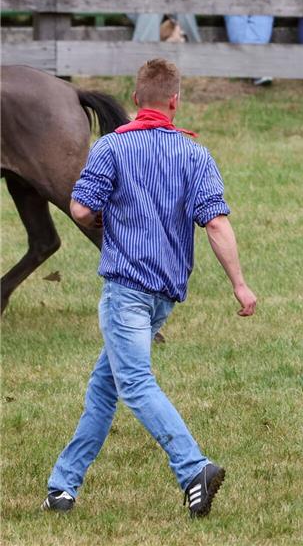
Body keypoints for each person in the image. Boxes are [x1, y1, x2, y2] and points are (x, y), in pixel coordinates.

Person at [41, 58, 257, 517]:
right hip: (164, 295)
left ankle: (192, 466)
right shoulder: (195, 154)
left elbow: (80, 210)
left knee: (135, 384)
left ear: (136, 100)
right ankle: (63, 486)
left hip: (126, 292)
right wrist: (239, 285)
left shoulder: (111, 149)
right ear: (175, 101)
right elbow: (216, 223)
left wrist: (100, 214)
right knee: (105, 387)